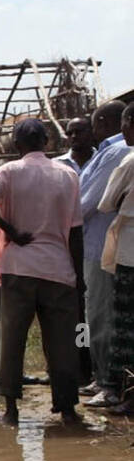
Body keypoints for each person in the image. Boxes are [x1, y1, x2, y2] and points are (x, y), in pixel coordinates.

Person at [0, 119, 83, 425]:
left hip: (18, 268)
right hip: (58, 268)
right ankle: (67, 408)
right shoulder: (68, 175)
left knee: (12, 338)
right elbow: (76, 232)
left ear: (16, 145)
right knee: (64, 341)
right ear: (46, 142)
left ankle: (10, 410)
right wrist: (80, 277)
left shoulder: (8, 172)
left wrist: (12, 231)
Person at [77, 101, 133, 407]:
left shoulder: (117, 153)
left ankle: (108, 382)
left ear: (105, 122)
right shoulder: (112, 152)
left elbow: (93, 203)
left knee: (102, 316)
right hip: (108, 245)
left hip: (104, 247)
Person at [96, 103, 134, 415]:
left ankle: (122, 394)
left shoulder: (129, 161)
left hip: (129, 255)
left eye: (124, 124)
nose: (122, 132)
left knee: (125, 328)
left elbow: (106, 203)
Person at [57, 117, 96, 385]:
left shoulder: (104, 161)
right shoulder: (57, 166)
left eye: (79, 131)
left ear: (92, 132)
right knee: (75, 312)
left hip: (97, 249)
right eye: (69, 133)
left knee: (97, 310)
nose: (74, 137)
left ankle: (97, 363)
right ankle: (80, 365)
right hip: (66, 250)